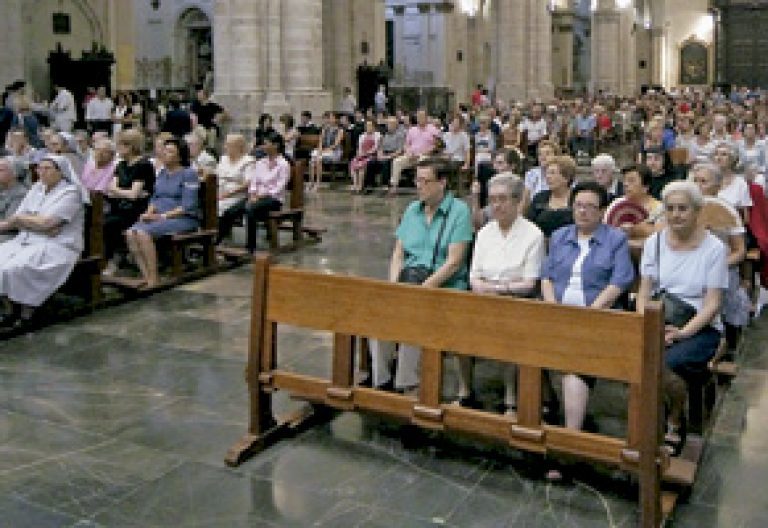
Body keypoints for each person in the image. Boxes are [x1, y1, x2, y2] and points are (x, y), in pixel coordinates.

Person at [541, 180, 635, 479]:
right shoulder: (559, 236)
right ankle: (541, 420)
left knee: (573, 369)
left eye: (590, 207)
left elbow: (619, 282)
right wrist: (552, 306)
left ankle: (570, 444)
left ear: (602, 211)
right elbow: (546, 275)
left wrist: (590, 314)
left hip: (596, 318)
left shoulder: (615, 239)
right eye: (578, 205)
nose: (582, 212)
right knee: (524, 349)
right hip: (558, 315)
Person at [636, 181, 728, 455]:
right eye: (670, 209)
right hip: (658, 318)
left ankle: (676, 418)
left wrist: (681, 333)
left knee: (665, 363)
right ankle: (643, 422)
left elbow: (712, 305)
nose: (676, 215)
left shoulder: (714, 249)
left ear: (697, 211)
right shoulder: (654, 243)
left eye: (683, 209)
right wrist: (649, 324)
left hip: (699, 326)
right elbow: (644, 292)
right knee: (632, 355)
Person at [368, 159, 473, 391]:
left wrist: (422, 291)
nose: (419, 186)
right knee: (376, 320)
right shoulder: (412, 210)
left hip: (442, 286)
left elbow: (454, 262)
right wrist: (395, 285)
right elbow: (398, 254)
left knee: (413, 322)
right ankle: (381, 381)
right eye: (417, 180)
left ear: (442, 183)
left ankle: (408, 384)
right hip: (409, 283)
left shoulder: (459, 211)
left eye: (425, 181)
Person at [456, 173, 544, 412]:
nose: (496, 205)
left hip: (517, 301)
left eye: (503, 199)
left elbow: (529, 283)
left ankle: (511, 396)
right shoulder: (485, 232)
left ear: (517, 201)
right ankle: (465, 390)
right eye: (492, 199)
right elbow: (474, 275)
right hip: (483, 299)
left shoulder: (533, 234)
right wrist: (483, 288)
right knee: (457, 329)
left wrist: (498, 289)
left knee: (511, 332)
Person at [0, 155, 85, 327]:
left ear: (60, 172)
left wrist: (26, 220)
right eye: (40, 168)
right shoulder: (37, 188)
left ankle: (27, 313)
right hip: (27, 238)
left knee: (16, 267)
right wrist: (27, 220)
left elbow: (49, 223)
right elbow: (17, 217)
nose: (42, 173)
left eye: (47, 168)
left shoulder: (71, 192)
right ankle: (9, 310)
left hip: (58, 244)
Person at [126, 138, 200, 288]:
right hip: (158, 217)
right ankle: (146, 275)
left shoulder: (188, 174)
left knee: (142, 234)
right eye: (164, 150)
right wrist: (147, 213)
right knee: (130, 233)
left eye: (170, 151)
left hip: (182, 218)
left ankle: (154, 278)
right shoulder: (161, 173)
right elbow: (155, 197)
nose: (165, 154)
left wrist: (162, 216)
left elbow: (188, 205)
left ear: (180, 156)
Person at [691, 162, 750, 347]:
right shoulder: (685, 209)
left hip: (723, 266)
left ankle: (727, 344)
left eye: (704, 182)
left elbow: (740, 251)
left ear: (718, 186)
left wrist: (719, 265)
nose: (698, 186)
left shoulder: (728, 210)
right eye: (695, 181)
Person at [103, 129, 155, 275]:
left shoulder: (143, 165)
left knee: (110, 224)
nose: (117, 149)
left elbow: (133, 195)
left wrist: (120, 192)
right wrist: (123, 192)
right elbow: (110, 188)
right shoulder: (121, 165)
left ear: (130, 146)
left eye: (120, 145)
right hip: (120, 206)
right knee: (100, 221)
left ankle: (114, 259)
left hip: (139, 209)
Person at [243, 132, 290, 253]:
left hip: (273, 199)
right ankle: (217, 242)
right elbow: (254, 181)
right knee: (233, 209)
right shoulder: (260, 162)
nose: (263, 146)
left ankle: (250, 246)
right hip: (257, 197)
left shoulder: (283, 164)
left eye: (266, 143)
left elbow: (279, 187)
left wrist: (261, 195)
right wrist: (253, 193)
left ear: (276, 145)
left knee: (250, 209)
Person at [604, 164, 663, 239]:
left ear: (646, 187)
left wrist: (635, 230)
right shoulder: (617, 203)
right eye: (624, 180)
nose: (625, 184)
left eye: (631, 181)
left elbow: (659, 236)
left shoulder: (659, 209)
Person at [389, 110, 440, 195]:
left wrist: (426, 152)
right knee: (397, 161)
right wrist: (409, 152)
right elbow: (406, 144)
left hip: (425, 155)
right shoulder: (412, 130)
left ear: (426, 117)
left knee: (423, 160)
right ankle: (394, 186)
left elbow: (438, 145)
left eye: (422, 116)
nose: (420, 118)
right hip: (411, 155)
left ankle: (420, 186)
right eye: (418, 117)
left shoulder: (433, 129)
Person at [216, 134, 255, 242]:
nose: (225, 147)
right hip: (220, 192)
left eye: (228, 145)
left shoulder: (248, 161)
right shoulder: (223, 159)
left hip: (238, 195)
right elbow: (216, 176)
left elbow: (247, 183)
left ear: (238, 147)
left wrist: (227, 194)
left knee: (220, 206)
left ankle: (218, 239)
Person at [526, 155, 575, 237]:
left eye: (552, 173)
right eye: (547, 173)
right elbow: (529, 225)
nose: (548, 177)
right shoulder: (540, 198)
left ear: (566, 177)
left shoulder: (577, 198)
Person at [363, 116, 405, 193]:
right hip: (384, 153)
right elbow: (380, 147)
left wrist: (388, 157)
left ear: (396, 125)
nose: (390, 125)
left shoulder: (400, 135)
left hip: (394, 154)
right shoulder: (384, 135)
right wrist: (380, 155)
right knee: (371, 162)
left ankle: (385, 185)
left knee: (386, 162)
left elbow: (400, 151)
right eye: (388, 124)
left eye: (392, 124)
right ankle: (369, 185)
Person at [308, 112, 344, 192]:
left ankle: (318, 183)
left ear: (336, 119)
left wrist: (325, 150)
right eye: (329, 117)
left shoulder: (340, 130)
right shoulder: (325, 128)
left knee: (318, 160)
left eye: (331, 117)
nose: (329, 119)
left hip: (335, 151)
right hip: (324, 150)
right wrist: (320, 149)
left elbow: (336, 144)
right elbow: (321, 140)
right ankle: (311, 182)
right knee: (312, 161)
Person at [0, 157, 28, 243]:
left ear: (14, 173)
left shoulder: (20, 193)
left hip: (8, 236)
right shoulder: (3, 189)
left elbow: (10, 224)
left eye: (1, 170)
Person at [349, 119, 380, 193]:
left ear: (374, 127)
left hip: (371, 155)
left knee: (362, 166)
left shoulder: (377, 135)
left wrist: (366, 154)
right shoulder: (362, 136)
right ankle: (355, 184)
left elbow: (376, 148)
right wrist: (359, 155)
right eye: (367, 126)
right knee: (353, 162)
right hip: (361, 154)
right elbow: (359, 147)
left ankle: (360, 185)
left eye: (370, 126)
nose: (368, 127)